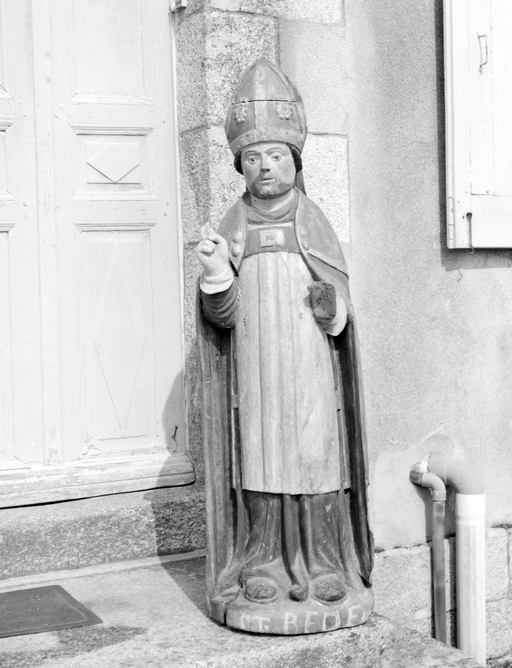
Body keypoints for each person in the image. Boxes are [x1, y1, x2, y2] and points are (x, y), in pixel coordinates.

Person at [196, 59, 373, 634]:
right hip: (256, 368)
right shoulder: (234, 225)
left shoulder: (312, 220)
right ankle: (264, 562)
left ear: (295, 161)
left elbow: (341, 312)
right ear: (240, 168)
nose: (265, 166)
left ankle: (324, 563)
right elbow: (221, 317)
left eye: (275, 155)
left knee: (315, 454)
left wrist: (331, 308)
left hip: (309, 366)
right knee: (261, 454)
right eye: (252, 158)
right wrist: (215, 275)